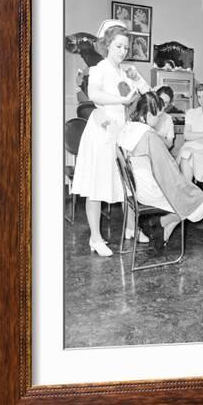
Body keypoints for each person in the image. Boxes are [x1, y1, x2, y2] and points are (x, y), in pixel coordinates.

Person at [71, 20, 150, 257]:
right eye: (118, 46)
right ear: (107, 45)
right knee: (96, 186)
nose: (122, 51)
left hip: (120, 130)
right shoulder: (99, 69)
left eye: (126, 47)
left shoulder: (124, 71)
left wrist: (138, 78)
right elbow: (94, 95)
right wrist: (122, 101)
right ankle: (95, 238)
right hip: (102, 128)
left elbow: (146, 92)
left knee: (126, 184)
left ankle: (130, 228)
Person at [117, 92, 203, 248]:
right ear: (148, 114)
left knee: (187, 197)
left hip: (133, 190)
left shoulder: (127, 128)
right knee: (198, 199)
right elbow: (167, 170)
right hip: (150, 192)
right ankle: (162, 223)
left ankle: (163, 226)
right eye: (158, 115)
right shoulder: (148, 135)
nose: (160, 119)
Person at [177, 83, 203, 183]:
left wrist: (193, 135)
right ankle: (187, 190)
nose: (201, 100)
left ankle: (187, 191)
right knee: (186, 154)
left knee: (187, 153)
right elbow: (186, 135)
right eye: (199, 97)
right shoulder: (191, 113)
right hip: (190, 148)